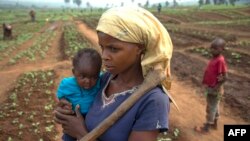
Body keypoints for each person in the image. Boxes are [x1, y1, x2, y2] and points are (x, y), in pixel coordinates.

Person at [54, 6, 173, 141]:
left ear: (139, 48)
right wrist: (65, 108)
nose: (104, 56)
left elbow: (80, 131)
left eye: (113, 48)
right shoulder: (104, 80)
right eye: (102, 47)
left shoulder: (153, 100)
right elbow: (79, 100)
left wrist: (81, 133)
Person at [56, 48, 103, 141]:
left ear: (98, 74)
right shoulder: (67, 84)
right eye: (83, 77)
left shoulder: (101, 80)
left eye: (93, 77)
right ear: (74, 72)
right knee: (68, 137)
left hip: (91, 119)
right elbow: (61, 97)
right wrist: (65, 103)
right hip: (73, 118)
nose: (88, 81)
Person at [195, 38, 228, 133]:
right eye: (211, 48)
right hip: (212, 87)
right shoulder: (215, 58)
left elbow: (225, 76)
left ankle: (207, 127)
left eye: (215, 48)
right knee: (214, 105)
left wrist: (216, 87)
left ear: (222, 49)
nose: (212, 50)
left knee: (211, 107)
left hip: (214, 88)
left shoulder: (220, 60)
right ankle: (214, 124)